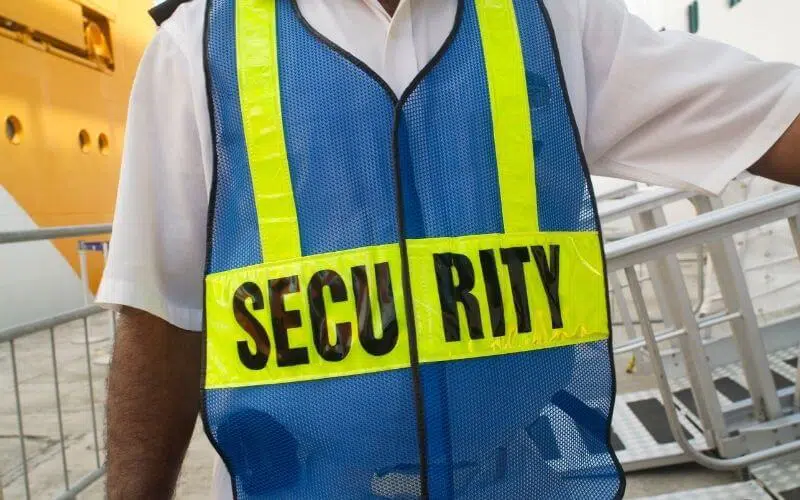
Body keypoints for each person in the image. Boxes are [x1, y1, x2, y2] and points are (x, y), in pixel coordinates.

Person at [99, 0, 800, 498]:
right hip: (303, 486)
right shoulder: (200, 42)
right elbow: (160, 317)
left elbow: (773, 116)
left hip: (523, 479)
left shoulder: (555, 18)